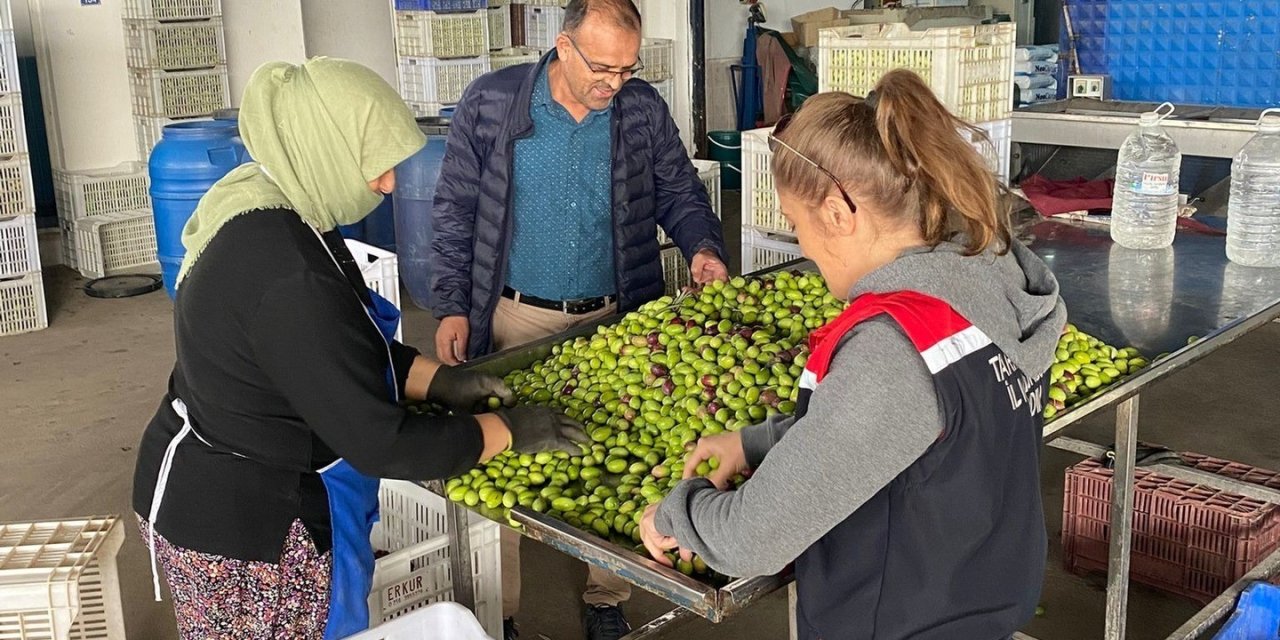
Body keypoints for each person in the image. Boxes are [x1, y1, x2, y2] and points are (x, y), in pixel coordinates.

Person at [132, 58, 586, 640]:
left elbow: (336, 349)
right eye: (376, 164)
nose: (390, 184)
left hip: (217, 479)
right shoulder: (287, 272)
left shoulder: (272, 204)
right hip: (253, 533)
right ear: (324, 145)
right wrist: (509, 432)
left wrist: (438, 380)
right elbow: (381, 444)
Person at [641, 70, 1069, 640]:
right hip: (976, 598)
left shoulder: (895, 344)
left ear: (838, 213)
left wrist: (676, 513)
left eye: (795, 224)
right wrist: (757, 442)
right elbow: (924, 427)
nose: (803, 245)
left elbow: (752, 539)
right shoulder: (991, 275)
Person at [429, 1, 729, 638]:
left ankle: (606, 597)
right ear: (563, 47)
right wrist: (453, 303)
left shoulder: (640, 109)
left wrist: (703, 247)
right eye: (602, 68)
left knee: (620, 461)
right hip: (516, 319)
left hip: (615, 320)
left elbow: (679, 189)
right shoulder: (492, 103)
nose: (614, 83)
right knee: (506, 459)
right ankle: (503, 612)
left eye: (626, 69)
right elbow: (455, 210)